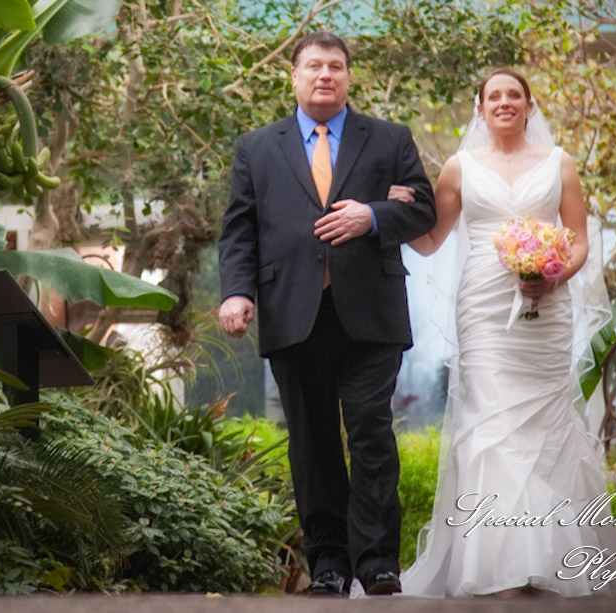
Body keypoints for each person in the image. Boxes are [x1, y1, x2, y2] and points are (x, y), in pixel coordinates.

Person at [386, 68, 616, 598]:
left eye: (514, 95)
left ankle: (551, 562)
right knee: (490, 425)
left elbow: (577, 241)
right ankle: (497, 566)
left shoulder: (559, 163)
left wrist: (551, 275)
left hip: (545, 314)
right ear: (479, 108)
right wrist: (400, 211)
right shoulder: (458, 168)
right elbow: (432, 241)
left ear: (530, 105)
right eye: (493, 96)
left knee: (544, 428)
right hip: (483, 312)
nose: (504, 103)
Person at [217, 31, 437, 597]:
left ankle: (378, 562)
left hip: (370, 313)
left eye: (335, 67)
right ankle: (330, 566)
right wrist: (237, 292)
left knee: (370, 432)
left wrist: (374, 215)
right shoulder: (256, 147)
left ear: (348, 77)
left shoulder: (389, 139)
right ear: (293, 76)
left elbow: (424, 210)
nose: (325, 75)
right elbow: (240, 230)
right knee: (312, 442)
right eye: (314, 66)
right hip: (292, 312)